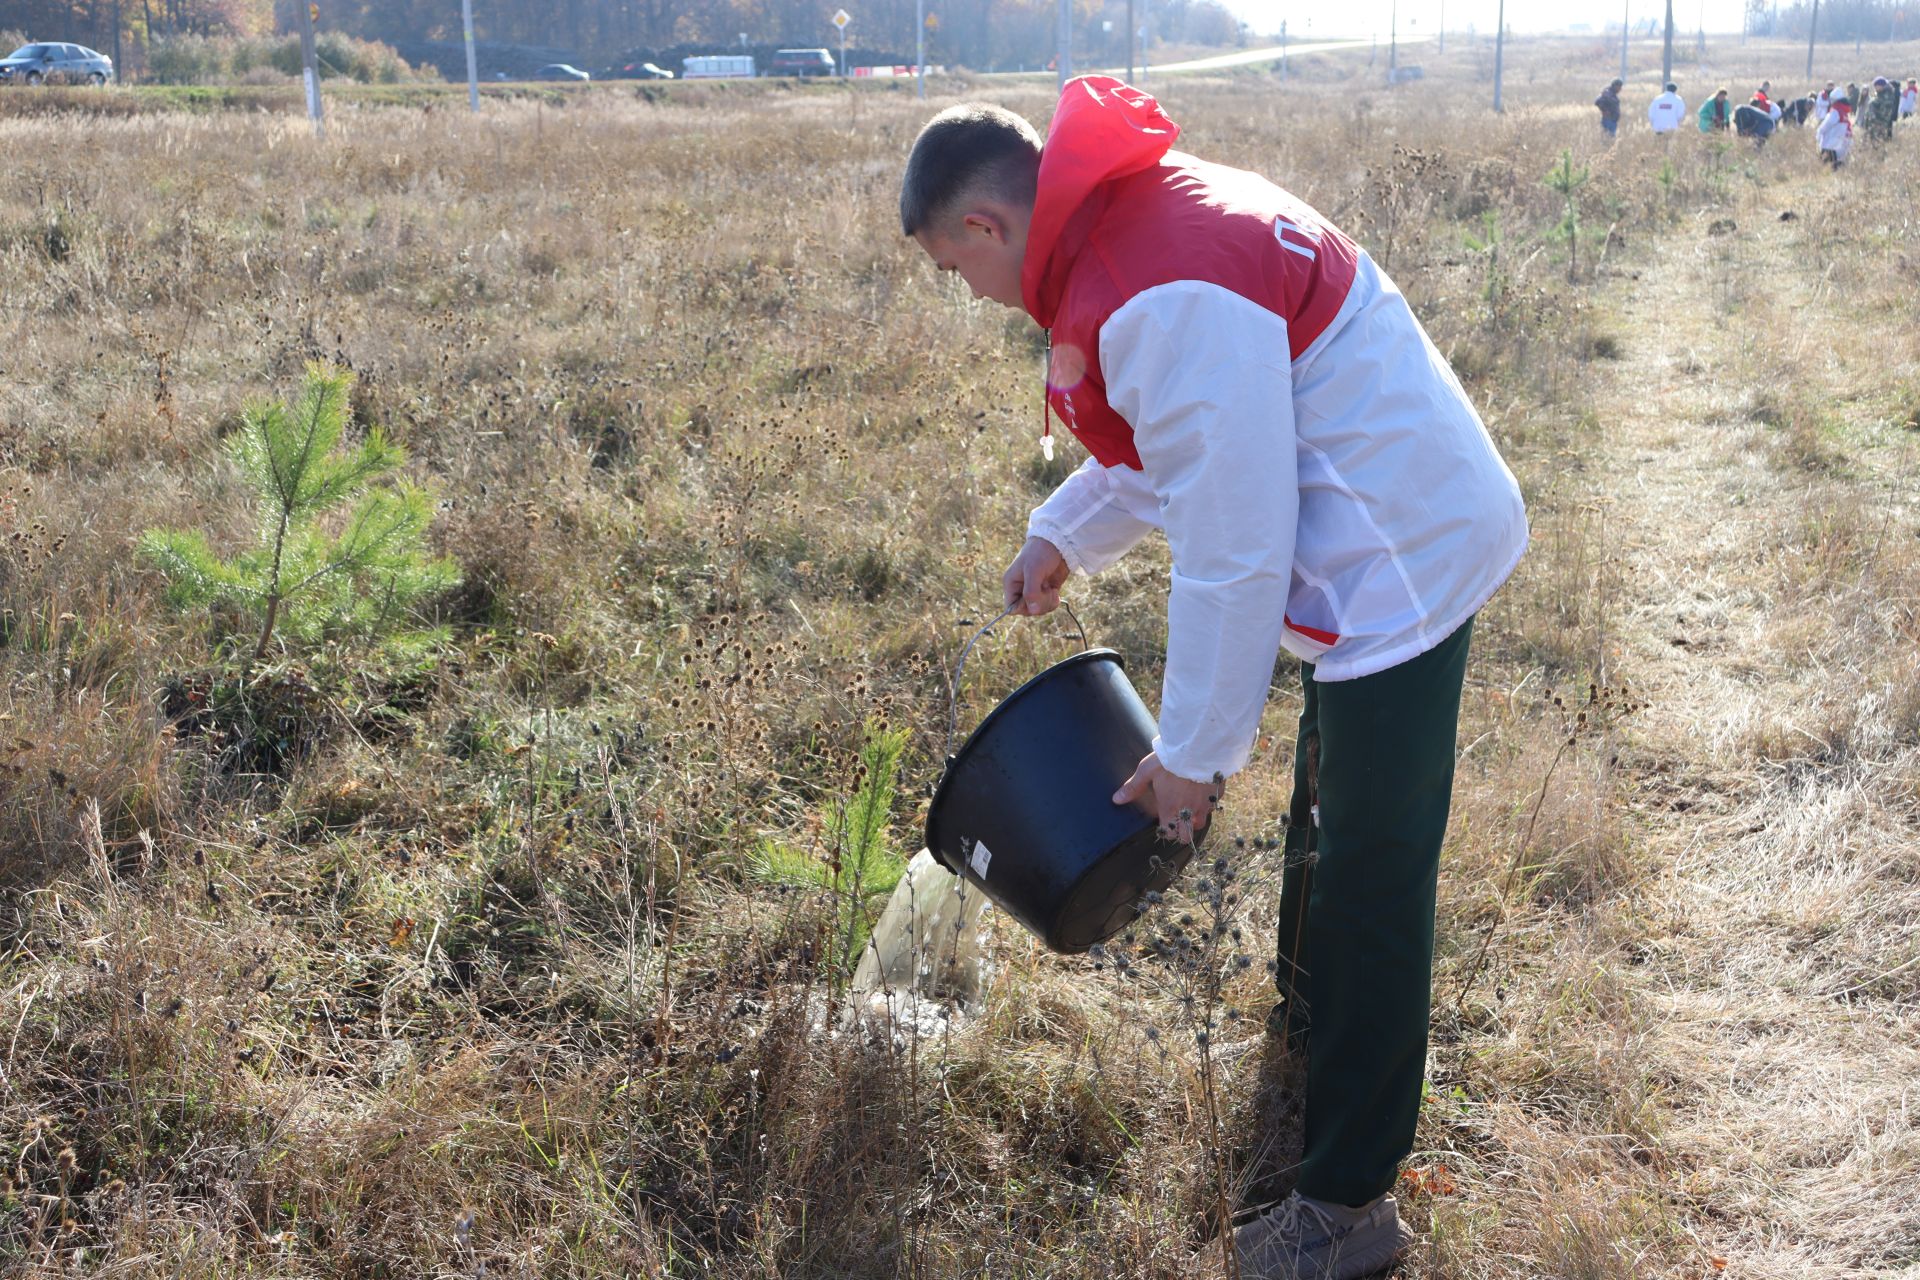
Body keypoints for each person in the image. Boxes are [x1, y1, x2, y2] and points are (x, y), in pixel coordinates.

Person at [898, 79, 1528, 1280]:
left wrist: (1190, 758)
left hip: (1405, 557)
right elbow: (1180, 448)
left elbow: (1234, 540)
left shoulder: (1157, 282)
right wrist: (1063, 533)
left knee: (1373, 881)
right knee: (1327, 820)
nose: (967, 294)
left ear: (982, 226)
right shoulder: (1135, 230)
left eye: (950, 267)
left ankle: (1348, 1207)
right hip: (1390, 531)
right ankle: (1311, 1034)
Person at [1818, 92, 1854, 166]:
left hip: (1830, 145)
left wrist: (1819, 132)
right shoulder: (1844, 113)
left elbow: (1826, 125)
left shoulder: (1835, 111)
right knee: (1839, 164)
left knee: (1826, 165)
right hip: (1840, 144)